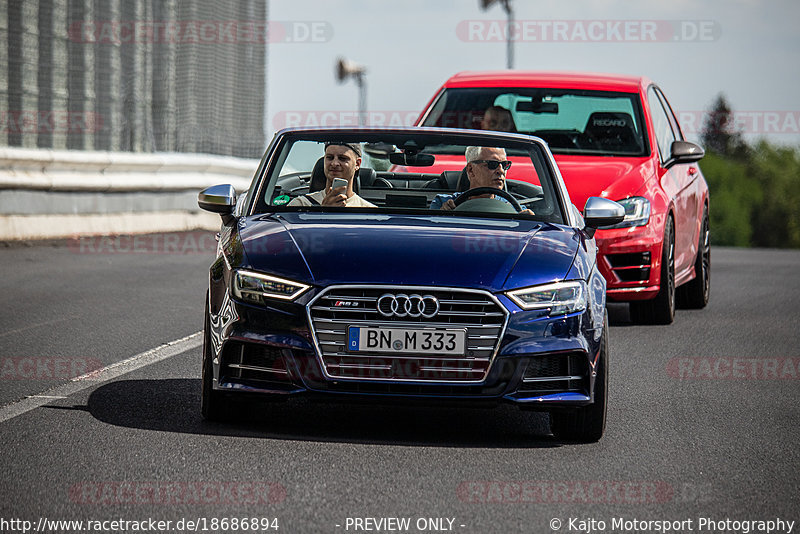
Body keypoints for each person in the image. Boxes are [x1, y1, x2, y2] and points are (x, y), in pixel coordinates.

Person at [288, 142, 376, 207]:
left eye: (342, 158)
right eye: (330, 157)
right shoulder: (301, 205)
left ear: (357, 164)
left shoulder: (369, 211)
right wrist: (323, 212)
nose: (334, 163)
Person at [431, 146, 514, 211]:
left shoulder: (514, 207)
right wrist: (442, 216)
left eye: (504, 164)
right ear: (471, 170)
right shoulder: (443, 203)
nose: (501, 171)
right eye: (492, 164)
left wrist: (524, 219)